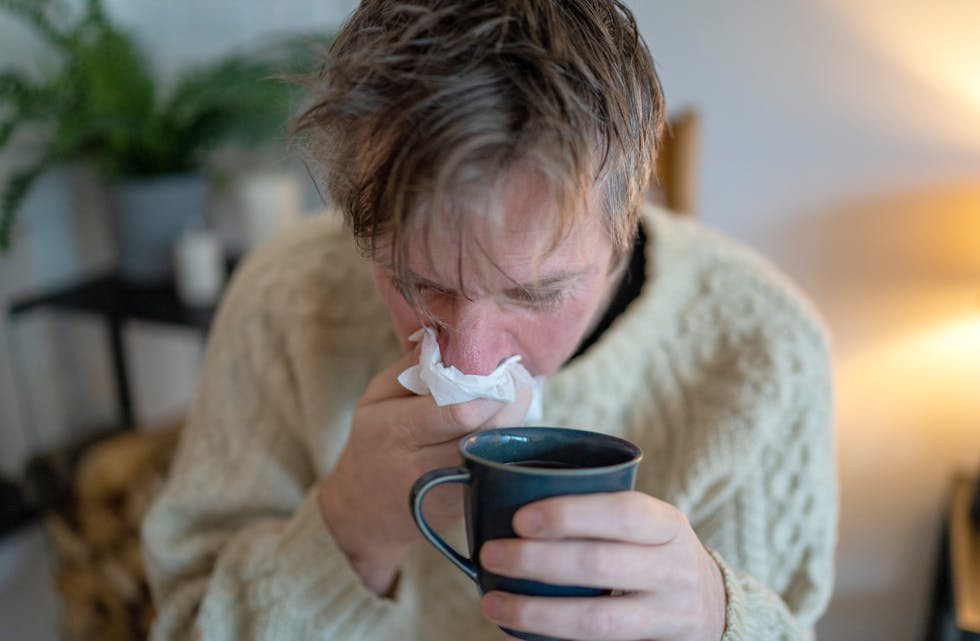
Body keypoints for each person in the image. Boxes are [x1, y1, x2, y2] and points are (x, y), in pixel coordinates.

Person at [142, 1, 837, 640]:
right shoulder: (283, 302)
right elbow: (181, 625)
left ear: (624, 228)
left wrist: (720, 616)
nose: (470, 362)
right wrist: (349, 529)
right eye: (418, 283)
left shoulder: (764, 350)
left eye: (536, 294)